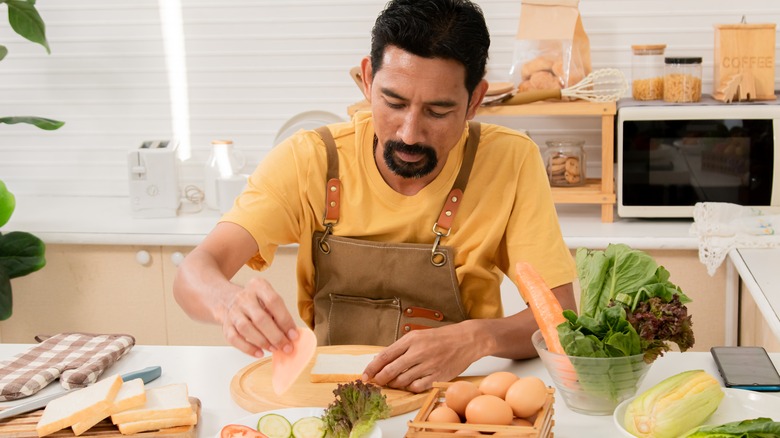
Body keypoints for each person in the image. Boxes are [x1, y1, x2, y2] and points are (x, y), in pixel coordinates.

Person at [173, 0, 576, 394]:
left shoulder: (510, 160)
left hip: (451, 403)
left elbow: (561, 319)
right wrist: (228, 303)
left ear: (475, 100)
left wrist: (476, 338)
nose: (409, 133)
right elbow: (194, 272)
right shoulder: (311, 159)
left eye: (438, 111)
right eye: (394, 102)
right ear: (367, 79)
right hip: (333, 399)